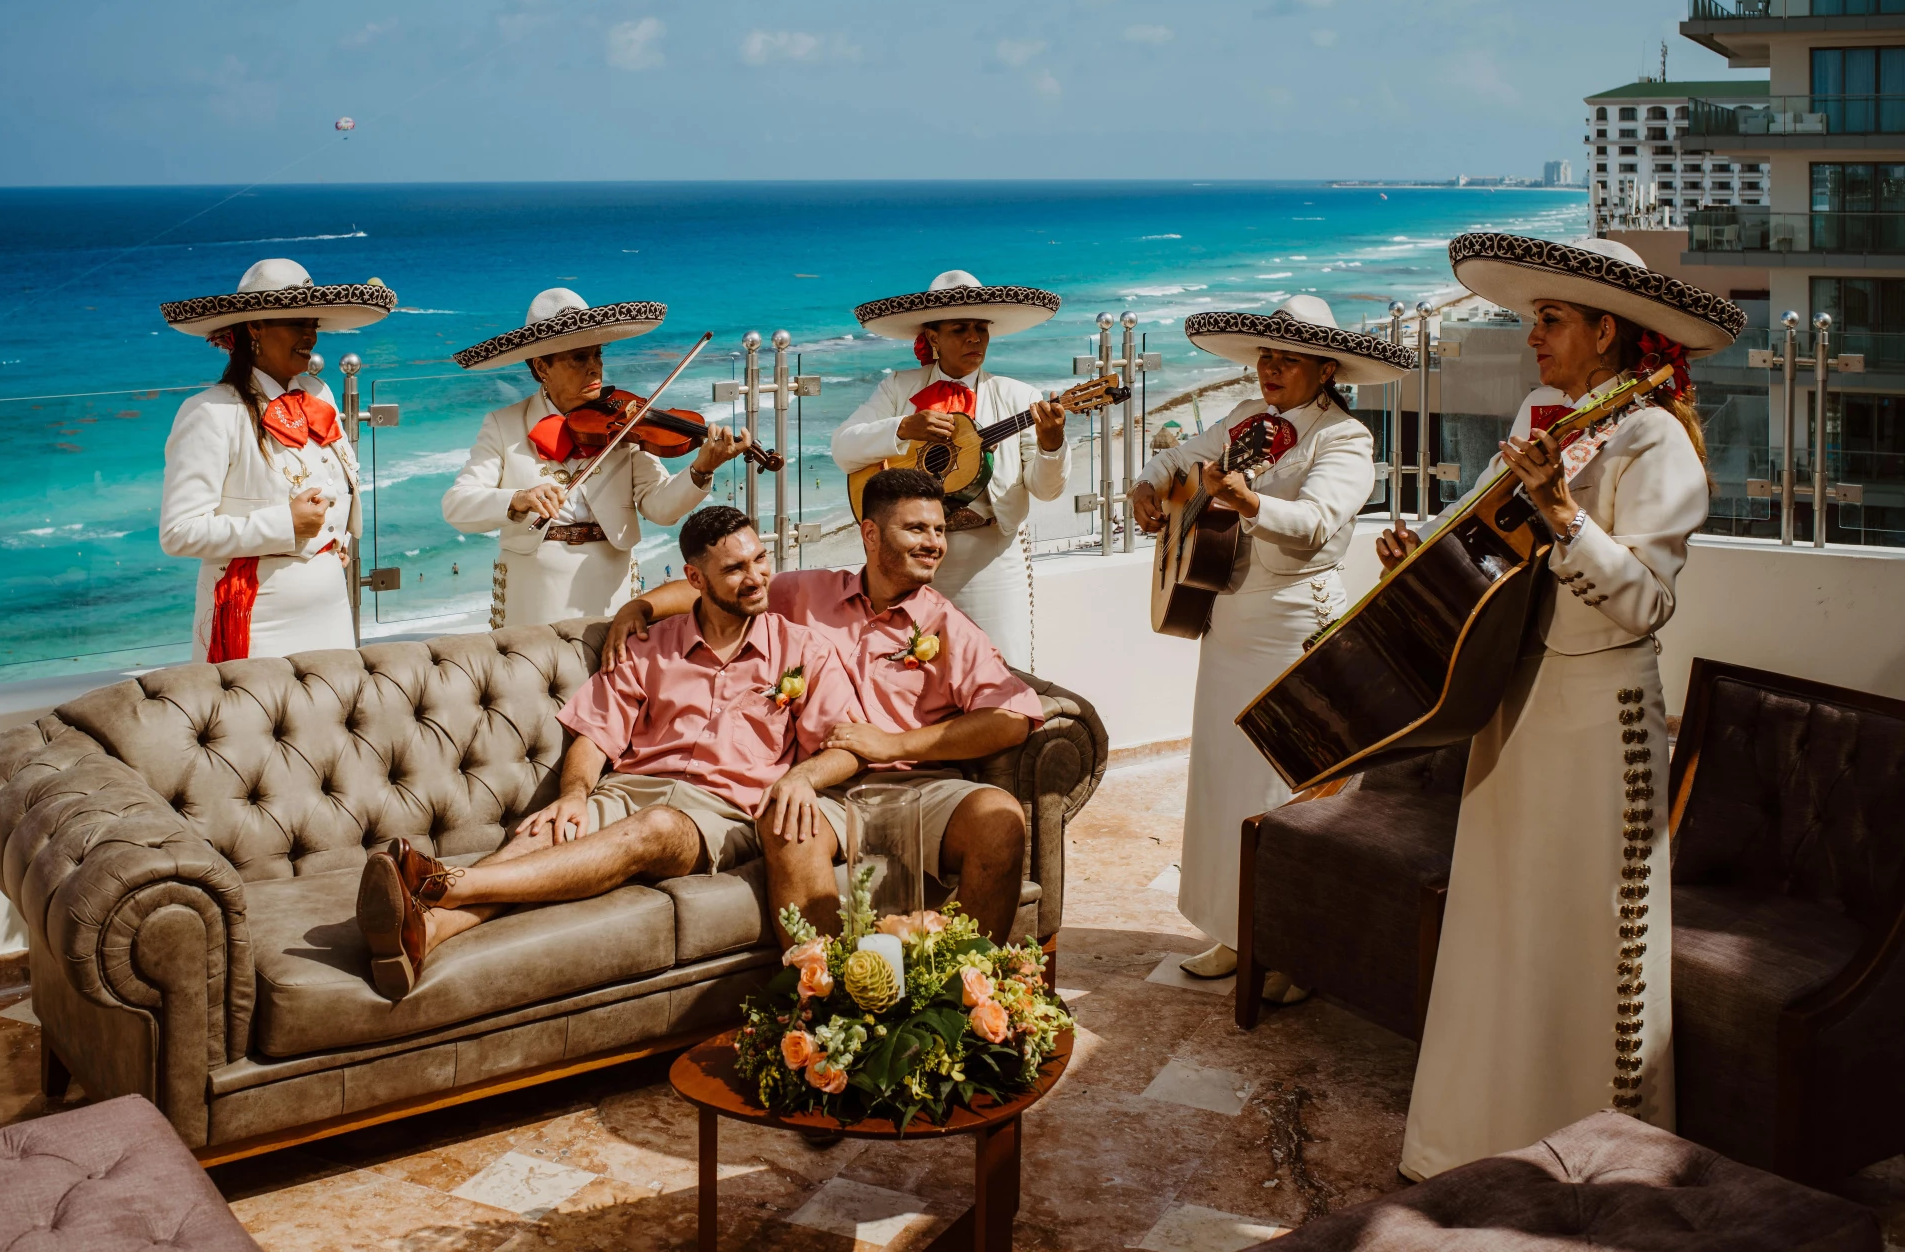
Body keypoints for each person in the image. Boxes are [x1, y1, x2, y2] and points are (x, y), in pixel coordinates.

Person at [1383, 234, 1742, 1178]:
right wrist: (1420, 556)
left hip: (1597, 716)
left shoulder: (1655, 436)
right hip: (1516, 697)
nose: (1531, 335)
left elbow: (1645, 600)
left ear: (1606, 330)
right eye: (1532, 318)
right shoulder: (1547, 417)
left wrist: (1564, 513)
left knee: (1586, 935)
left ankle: (1595, 1153)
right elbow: (1481, 536)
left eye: (1550, 319)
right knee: (1501, 927)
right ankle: (1475, 1143)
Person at [356, 506, 863, 999]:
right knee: (544, 829)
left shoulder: (804, 651)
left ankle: (446, 880)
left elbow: (846, 746)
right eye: (734, 569)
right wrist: (574, 795)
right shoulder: (646, 646)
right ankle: (432, 926)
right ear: (695, 578)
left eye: (759, 559)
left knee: (657, 827)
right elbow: (596, 733)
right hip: (629, 790)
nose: (755, 577)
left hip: (720, 813)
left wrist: (802, 778)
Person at [603, 467, 1038, 941]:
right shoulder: (803, 594)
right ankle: (826, 998)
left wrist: (894, 744)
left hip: (919, 787)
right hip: (828, 790)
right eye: (915, 528)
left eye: (939, 530)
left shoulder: (948, 626)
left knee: (1000, 819)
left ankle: (967, 988)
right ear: (870, 534)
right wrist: (638, 609)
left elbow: (1012, 718)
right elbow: (718, 583)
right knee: (787, 821)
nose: (934, 542)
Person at [1129, 296, 1408, 993]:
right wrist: (1149, 483)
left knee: (1285, 790)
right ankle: (1233, 929)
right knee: (1226, 780)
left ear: (1325, 368)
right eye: (1264, 355)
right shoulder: (1241, 422)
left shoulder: (1345, 440)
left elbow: (1315, 524)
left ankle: (1291, 947)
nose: (1270, 367)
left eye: (1286, 357)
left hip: (1295, 628)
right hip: (1230, 624)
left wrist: (1249, 502)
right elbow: (1180, 457)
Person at [441, 288, 752, 628]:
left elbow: (659, 507)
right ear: (542, 366)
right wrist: (518, 499)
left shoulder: (627, 421)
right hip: (533, 595)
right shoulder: (504, 425)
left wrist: (701, 467)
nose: (595, 369)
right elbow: (457, 505)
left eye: (597, 355)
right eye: (579, 358)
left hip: (611, 592)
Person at [158, 258, 393, 663]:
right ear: (254, 328)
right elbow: (179, 532)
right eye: (296, 322)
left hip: (332, 610)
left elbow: (336, 487)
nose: (310, 335)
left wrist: (335, 539)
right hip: (257, 623)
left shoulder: (320, 395)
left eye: (313, 323)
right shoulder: (210, 412)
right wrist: (287, 525)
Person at [830, 271, 1070, 664]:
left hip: (990, 557)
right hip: (906, 558)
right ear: (933, 338)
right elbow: (843, 448)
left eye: (981, 328)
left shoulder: (1019, 396)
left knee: (1000, 669)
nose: (974, 338)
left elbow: (1046, 490)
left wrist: (1051, 444)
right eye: (960, 329)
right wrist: (904, 427)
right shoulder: (898, 388)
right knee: (913, 674)